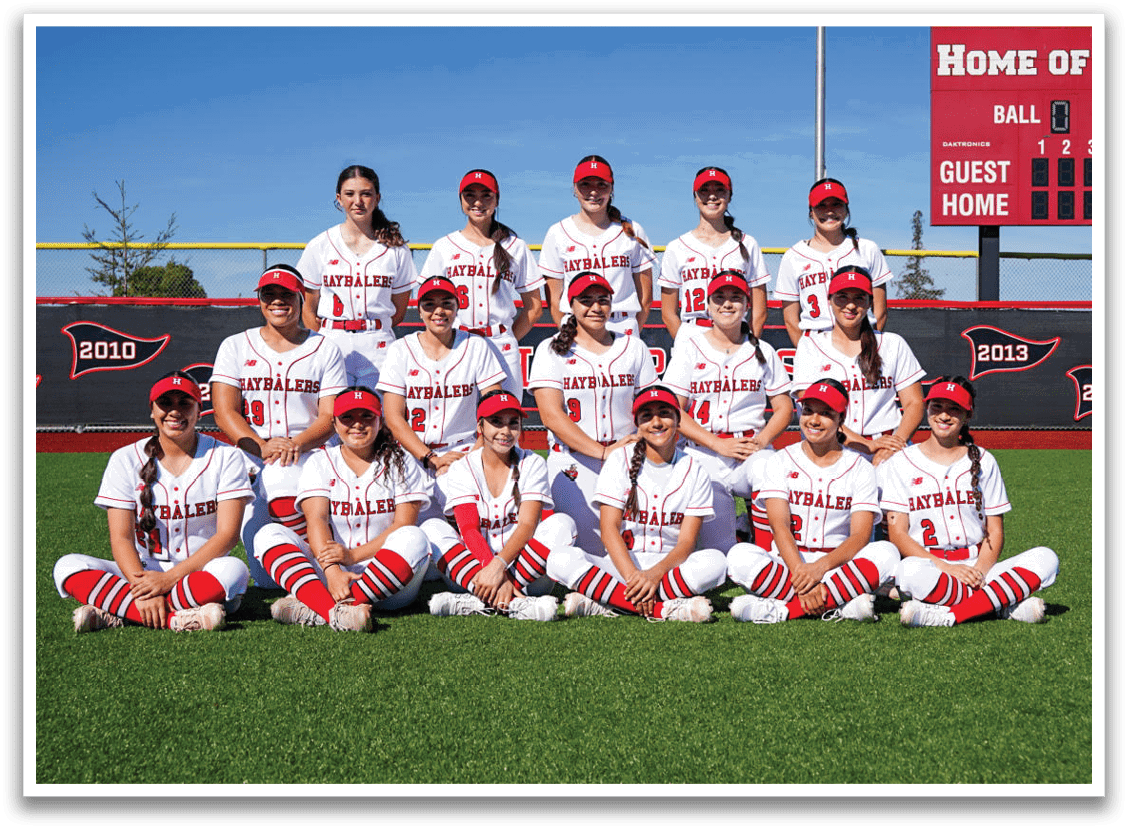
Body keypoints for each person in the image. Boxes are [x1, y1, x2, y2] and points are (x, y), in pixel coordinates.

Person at [53, 372, 252, 633]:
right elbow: (121, 538)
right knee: (67, 567)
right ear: (152, 411)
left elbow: (227, 535)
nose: (174, 411)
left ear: (198, 410)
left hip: (199, 571)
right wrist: (145, 590)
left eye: (184, 403)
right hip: (141, 573)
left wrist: (168, 580)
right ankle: (176, 619)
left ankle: (119, 610)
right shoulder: (124, 459)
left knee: (234, 571)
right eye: (166, 403)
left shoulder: (226, 457)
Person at [878, 377, 1060, 627]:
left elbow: (994, 531)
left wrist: (980, 573)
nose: (944, 415)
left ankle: (948, 616)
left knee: (1046, 558)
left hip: (978, 565)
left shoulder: (985, 461)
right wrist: (946, 568)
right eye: (937, 406)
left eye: (954, 409)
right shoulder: (900, 462)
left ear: (967, 415)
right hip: (930, 566)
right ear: (927, 409)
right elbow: (898, 535)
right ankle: (999, 605)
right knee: (908, 572)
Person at [211, 264, 348, 589]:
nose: (277, 301)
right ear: (259, 300)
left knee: (283, 477)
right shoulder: (236, 345)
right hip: (252, 456)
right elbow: (223, 411)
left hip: (308, 456)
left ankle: (323, 570)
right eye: (268, 294)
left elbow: (330, 416)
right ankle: (311, 570)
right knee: (266, 580)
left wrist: (294, 444)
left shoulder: (324, 347)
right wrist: (261, 446)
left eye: (286, 294)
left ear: (300, 298)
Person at [252, 388, 433, 632]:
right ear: (335, 424)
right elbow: (316, 519)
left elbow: (403, 524)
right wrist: (332, 570)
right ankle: (337, 612)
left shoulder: (402, 460)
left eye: (367, 416)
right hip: (334, 575)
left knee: (415, 537)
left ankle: (322, 608)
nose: (357, 425)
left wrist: (353, 556)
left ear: (380, 421)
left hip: (389, 581)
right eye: (348, 417)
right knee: (267, 535)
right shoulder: (320, 461)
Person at [543, 386, 727, 622]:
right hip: (622, 567)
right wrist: (633, 577)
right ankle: (665, 609)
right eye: (647, 416)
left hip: (668, 570)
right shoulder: (620, 459)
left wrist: (654, 575)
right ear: (637, 425)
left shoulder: (695, 469)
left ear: (678, 420)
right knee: (560, 559)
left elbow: (687, 541)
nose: (657, 422)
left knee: (716, 563)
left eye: (664, 413)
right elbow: (609, 531)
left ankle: (610, 602)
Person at [726, 379, 900, 624]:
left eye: (826, 414)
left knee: (887, 553)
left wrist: (820, 568)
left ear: (841, 418)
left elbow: (860, 536)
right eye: (808, 411)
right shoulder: (780, 460)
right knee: (738, 556)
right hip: (789, 566)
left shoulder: (860, 467)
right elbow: (779, 526)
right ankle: (838, 606)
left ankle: (785, 610)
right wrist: (801, 574)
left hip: (838, 567)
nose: (814, 420)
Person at [662, 271, 794, 551]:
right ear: (708, 306)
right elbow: (673, 408)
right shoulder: (689, 348)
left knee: (771, 471)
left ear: (747, 305)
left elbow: (784, 406)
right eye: (719, 298)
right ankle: (737, 529)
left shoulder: (763, 350)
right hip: (704, 448)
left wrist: (760, 441)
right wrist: (718, 444)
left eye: (736, 298)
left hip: (750, 447)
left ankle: (770, 550)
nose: (727, 304)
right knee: (720, 552)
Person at [527, 272, 658, 554]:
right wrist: (601, 452)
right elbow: (551, 415)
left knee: (638, 548)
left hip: (627, 458)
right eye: (586, 300)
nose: (596, 308)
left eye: (603, 300)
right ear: (570, 306)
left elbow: (652, 407)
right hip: (573, 461)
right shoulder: (550, 349)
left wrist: (637, 442)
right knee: (588, 550)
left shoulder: (633, 346)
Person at [422, 390, 578, 621]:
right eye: (496, 422)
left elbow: (527, 524)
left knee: (563, 524)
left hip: (526, 572)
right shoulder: (463, 467)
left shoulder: (532, 462)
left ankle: (478, 601)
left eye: (513, 423)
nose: (505, 431)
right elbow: (469, 529)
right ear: (480, 427)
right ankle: (515, 604)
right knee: (431, 528)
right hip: (475, 571)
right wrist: (491, 570)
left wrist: (500, 567)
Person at [377, 276, 506, 519]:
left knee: (472, 522)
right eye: (430, 305)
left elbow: (495, 410)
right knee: (404, 531)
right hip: (413, 455)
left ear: (458, 307)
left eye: (447, 303)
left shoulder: (475, 345)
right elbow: (393, 417)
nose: (439, 311)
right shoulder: (400, 350)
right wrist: (431, 458)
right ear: (419, 310)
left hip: (463, 451)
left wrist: (474, 456)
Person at [419, 169, 544, 394]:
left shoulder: (514, 246)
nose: (478, 202)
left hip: (501, 344)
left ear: (497, 199)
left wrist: (506, 336)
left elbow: (534, 307)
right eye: (470, 195)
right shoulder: (444, 246)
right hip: (457, 342)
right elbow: (427, 302)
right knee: (459, 421)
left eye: (486, 195)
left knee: (505, 421)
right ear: (460, 200)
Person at [790, 266, 925, 467]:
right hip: (834, 446)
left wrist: (893, 446)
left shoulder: (892, 343)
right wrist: (864, 444)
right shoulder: (810, 346)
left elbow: (915, 403)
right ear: (829, 299)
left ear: (870, 302)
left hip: (888, 447)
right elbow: (810, 409)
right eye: (842, 297)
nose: (850, 305)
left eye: (859, 298)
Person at [297, 164, 417, 388]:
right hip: (333, 340)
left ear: (378, 198)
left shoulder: (396, 248)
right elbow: (308, 309)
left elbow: (398, 312)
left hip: (378, 343)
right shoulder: (320, 245)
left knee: (379, 416)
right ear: (338, 198)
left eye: (366, 194)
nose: (358, 201)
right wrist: (323, 341)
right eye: (350, 194)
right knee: (332, 416)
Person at [539, 155, 656, 336]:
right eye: (585, 184)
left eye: (601, 184)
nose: (593, 191)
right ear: (574, 188)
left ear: (612, 188)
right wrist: (567, 333)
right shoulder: (557, 233)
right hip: (576, 327)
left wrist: (632, 332)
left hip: (621, 324)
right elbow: (554, 301)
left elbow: (645, 298)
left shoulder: (632, 230)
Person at [775, 178, 892, 346]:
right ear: (811, 211)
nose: (829, 212)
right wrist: (807, 354)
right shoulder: (793, 256)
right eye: (822, 205)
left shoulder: (867, 249)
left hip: (861, 339)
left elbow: (880, 311)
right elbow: (791, 321)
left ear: (846, 209)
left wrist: (870, 347)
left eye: (836, 204)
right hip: (815, 342)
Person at [658, 166, 770, 343]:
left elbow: (759, 310)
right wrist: (684, 344)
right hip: (692, 333)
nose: (712, 196)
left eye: (719, 190)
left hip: (736, 335)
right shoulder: (677, 247)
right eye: (704, 190)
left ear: (729, 196)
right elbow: (668, 313)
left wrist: (749, 343)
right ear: (695, 196)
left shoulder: (748, 244)